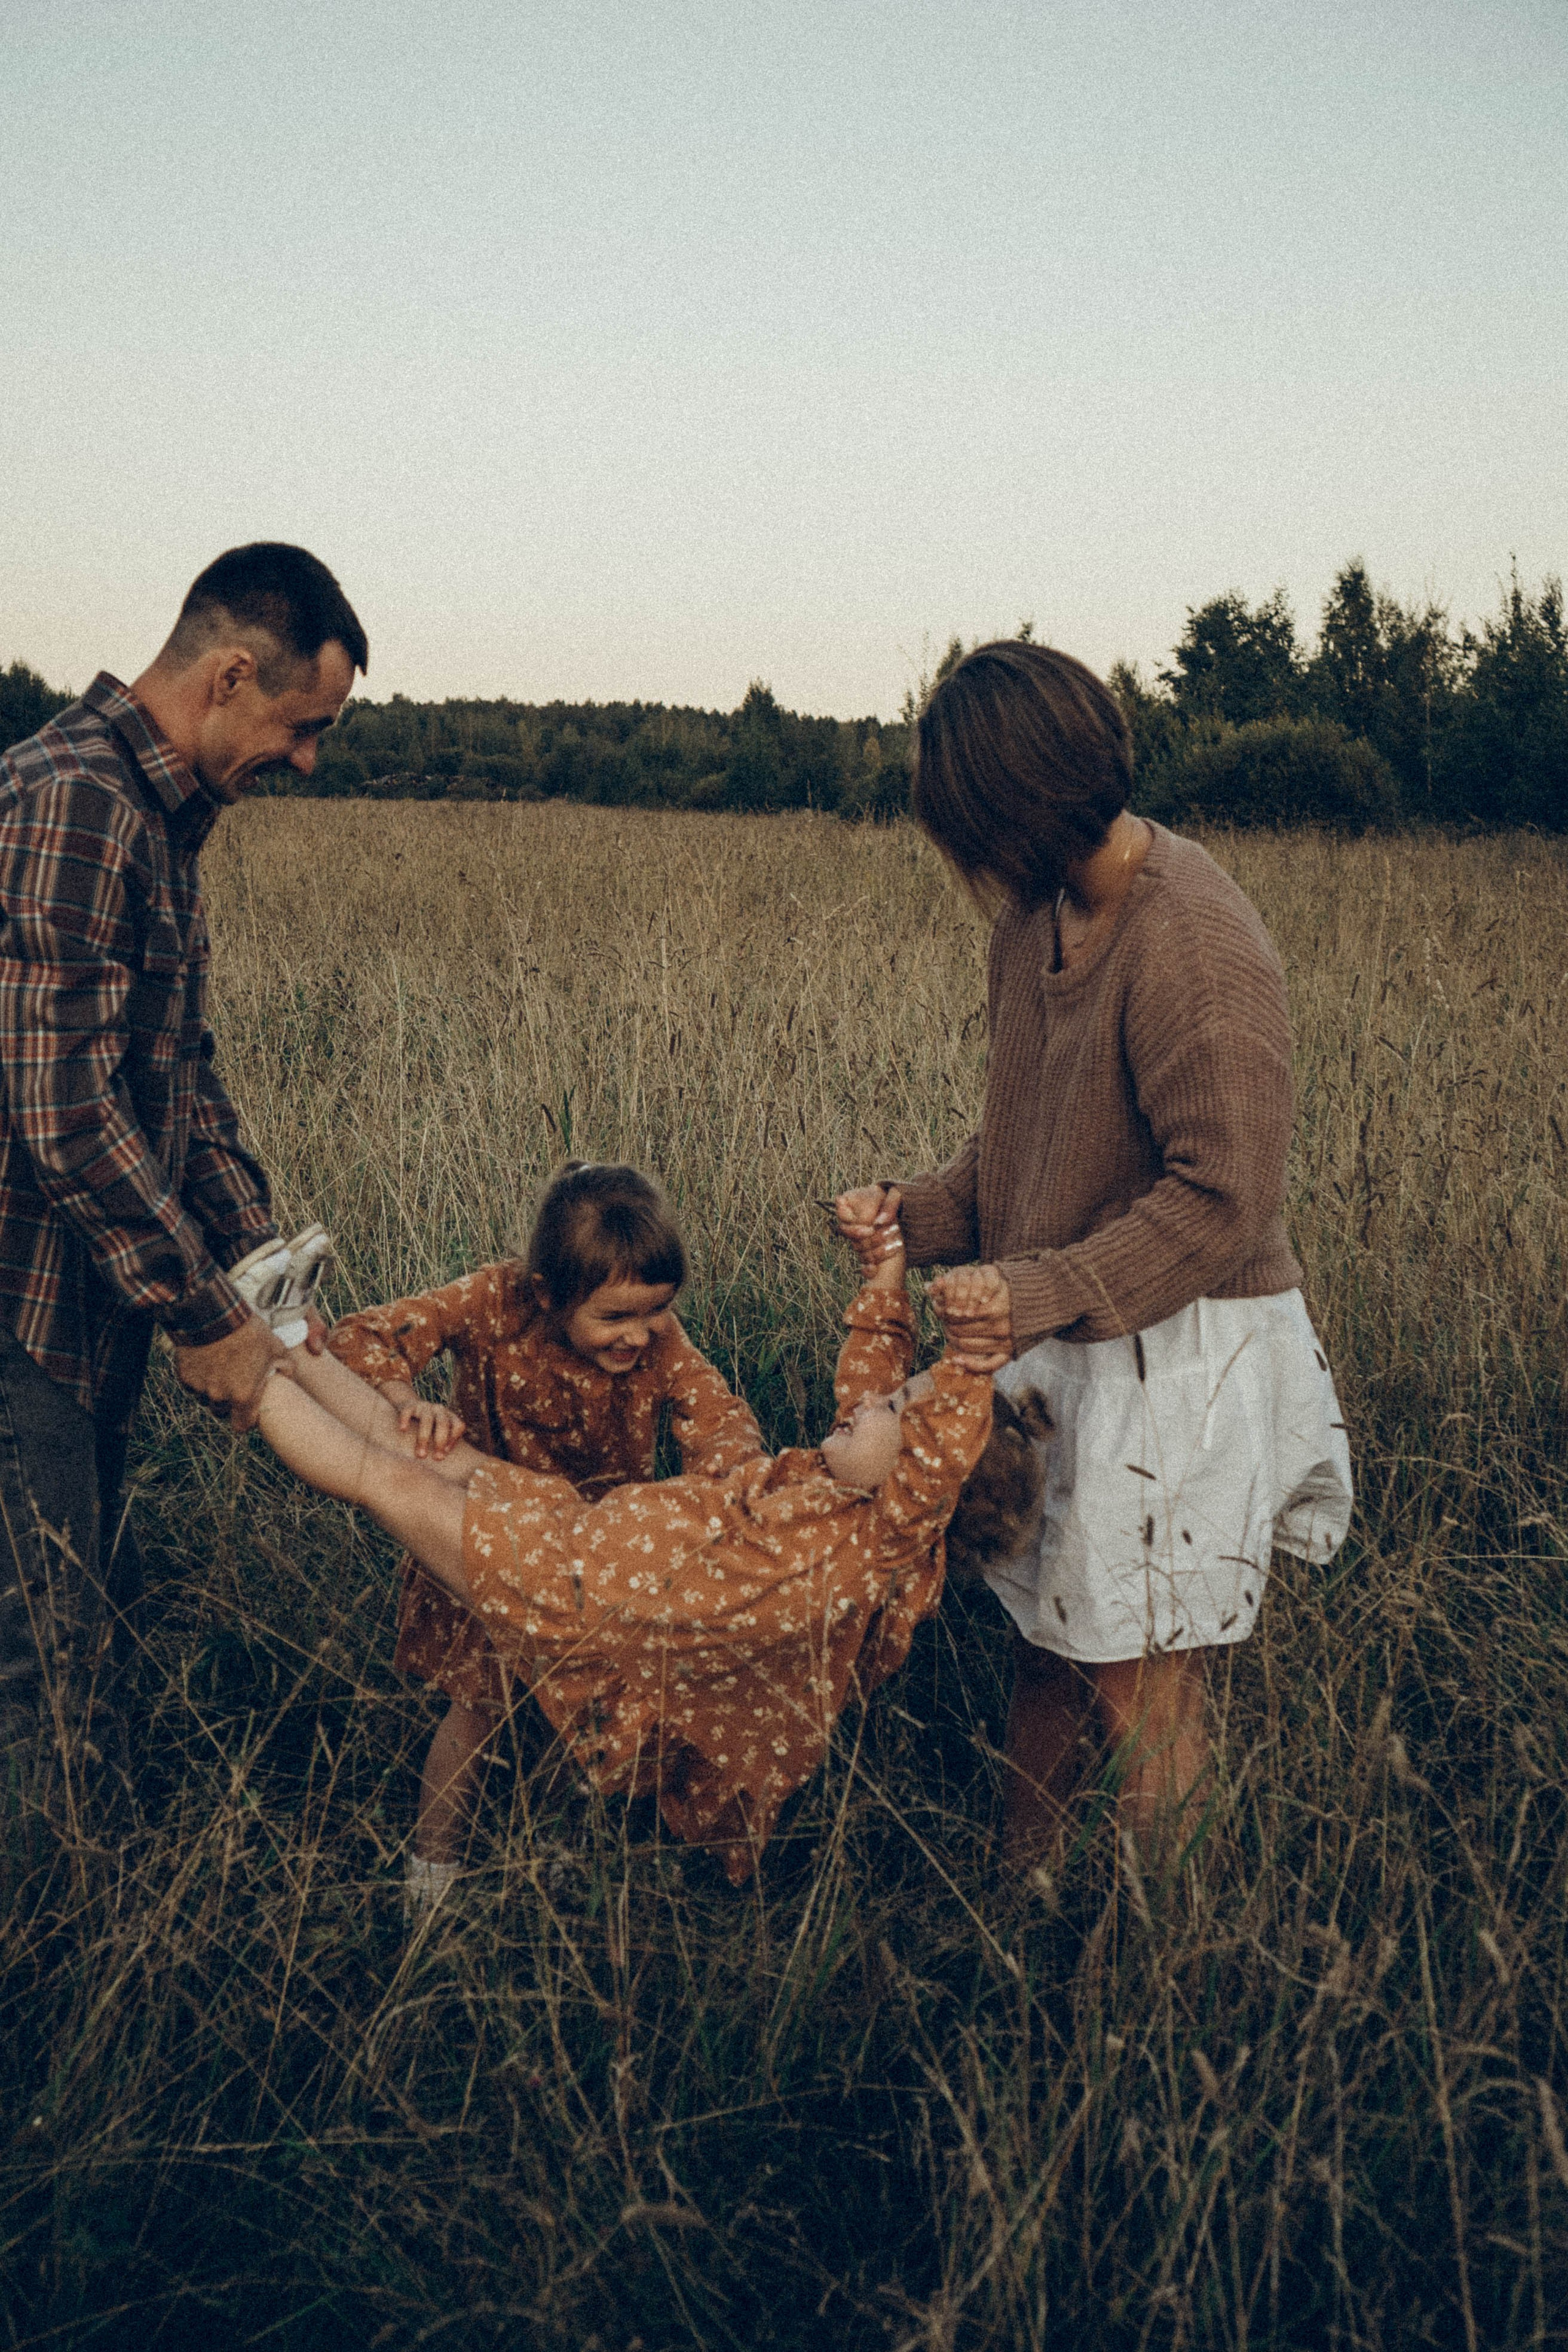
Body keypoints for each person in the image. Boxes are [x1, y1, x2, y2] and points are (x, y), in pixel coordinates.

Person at [837, 639, 1353, 1868]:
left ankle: (1169, 1966)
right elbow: (1024, 1145)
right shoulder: (1036, 920)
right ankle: (1018, 1903)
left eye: (961, 825)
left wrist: (1037, 1290)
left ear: (1009, 811)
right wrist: (915, 1215)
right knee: (1050, 1643)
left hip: (1182, 1360)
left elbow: (1224, 1197)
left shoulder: (1192, 936)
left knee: (1142, 1690)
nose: (958, 858)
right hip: (1070, 1343)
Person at [257, 1222, 1033, 1887]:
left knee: (390, 1481)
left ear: (928, 1479)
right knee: (435, 1460)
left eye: (892, 1407)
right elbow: (874, 1369)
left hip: (590, 1600)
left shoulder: (885, 1535)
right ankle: (287, 1333)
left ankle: (248, 1372)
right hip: (587, 1532)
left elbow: (940, 1443)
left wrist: (973, 1354)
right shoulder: (845, 1487)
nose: (865, 1400)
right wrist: (887, 1272)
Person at [0, 543, 367, 1803]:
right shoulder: (77, 803)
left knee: (82, 1622)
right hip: (18, 1312)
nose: (308, 761)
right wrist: (206, 1317)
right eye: (304, 726)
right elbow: (60, 1110)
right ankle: (51, 1922)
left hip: (76, 1308)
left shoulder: (157, 819)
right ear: (229, 676)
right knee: (41, 1671)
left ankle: (86, 1891)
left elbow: (176, 1077)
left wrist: (264, 1269)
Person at [327, 1161, 764, 1918]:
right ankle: (432, 1875)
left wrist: (735, 1489)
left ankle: (555, 1860)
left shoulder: (657, 1337)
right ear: (546, 1293)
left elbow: (715, 1414)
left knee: (587, 1712)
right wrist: (405, 1400)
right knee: (478, 1709)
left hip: (594, 1560)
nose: (639, 1334)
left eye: (657, 1310)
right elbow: (366, 1336)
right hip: (481, 1541)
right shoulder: (494, 1302)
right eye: (616, 1317)